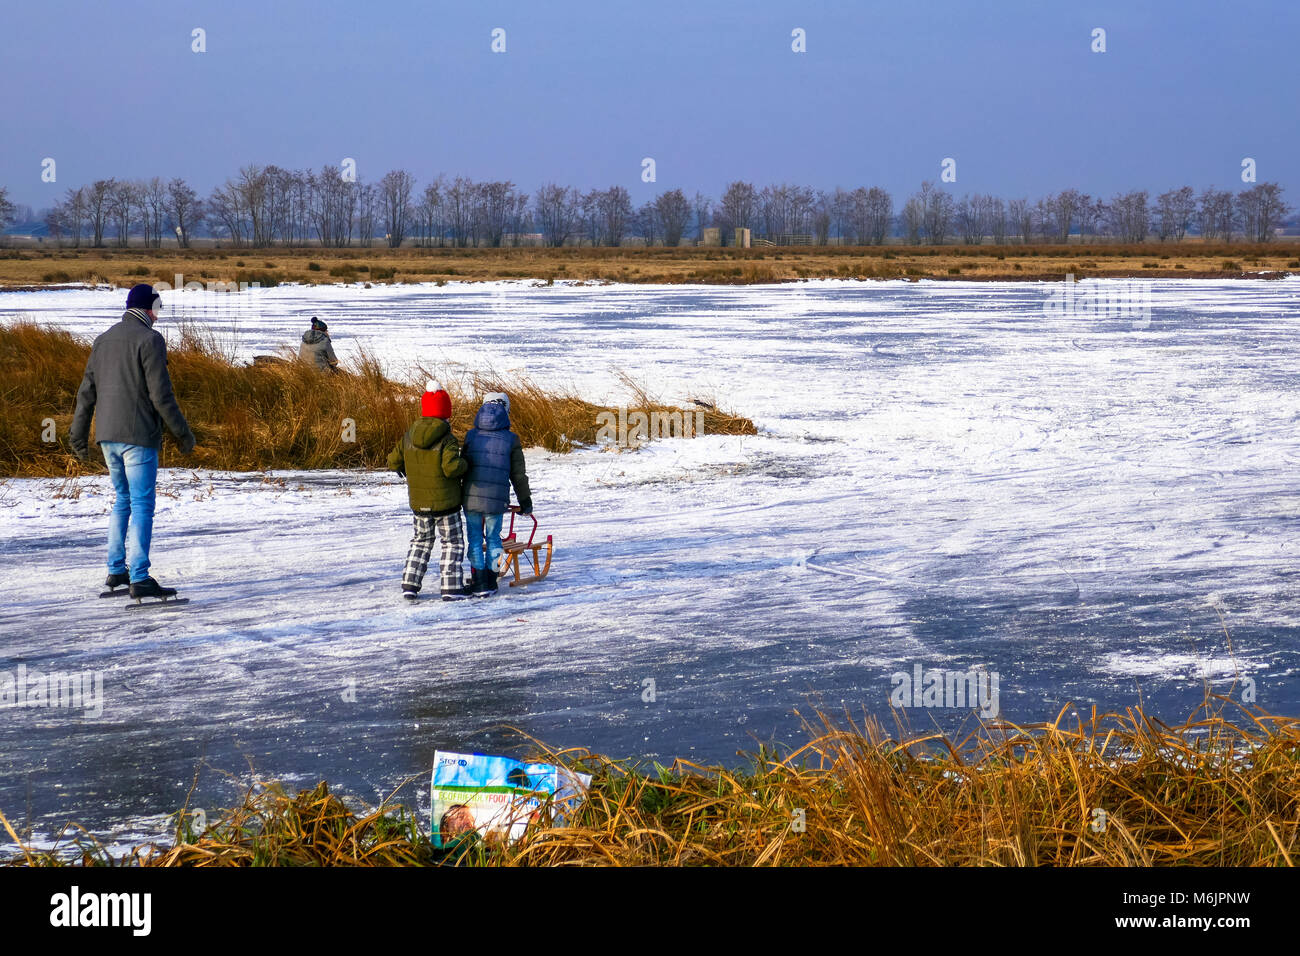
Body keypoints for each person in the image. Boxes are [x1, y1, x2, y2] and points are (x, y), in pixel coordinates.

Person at [70, 283, 197, 600]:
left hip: (107, 438)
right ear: (148, 308)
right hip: (138, 437)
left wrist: (78, 437)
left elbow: (86, 394)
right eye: (158, 308)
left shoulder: (103, 340)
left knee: (122, 500)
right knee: (141, 504)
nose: (158, 316)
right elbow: (161, 395)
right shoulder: (149, 340)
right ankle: (139, 576)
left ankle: (116, 570)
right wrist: (183, 433)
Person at [387, 382, 470, 601]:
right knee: (452, 542)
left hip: (419, 503)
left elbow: (393, 462)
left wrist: (410, 470)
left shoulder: (408, 436)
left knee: (420, 541)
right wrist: (465, 464)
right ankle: (451, 588)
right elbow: (451, 467)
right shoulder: (447, 439)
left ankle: (410, 585)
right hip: (447, 505)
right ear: (446, 413)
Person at [461, 392, 532, 597]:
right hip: (496, 500)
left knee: (474, 539)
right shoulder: (511, 439)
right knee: (493, 539)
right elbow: (518, 476)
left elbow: (461, 467)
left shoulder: (471, 435)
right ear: (506, 410)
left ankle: (478, 581)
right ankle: (491, 581)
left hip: (472, 497)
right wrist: (525, 502)